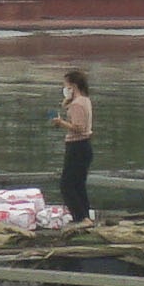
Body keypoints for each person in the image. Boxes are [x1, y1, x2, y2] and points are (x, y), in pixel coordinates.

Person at [52, 68, 95, 223]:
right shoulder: (84, 100)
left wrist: (61, 123)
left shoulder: (77, 104)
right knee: (78, 185)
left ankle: (80, 218)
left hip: (77, 147)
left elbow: (79, 127)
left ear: (73, 86)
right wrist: (67, 104)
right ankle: (85, 217)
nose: (65, 88)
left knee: (67, 185)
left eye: (66, 85)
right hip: (84, 146)